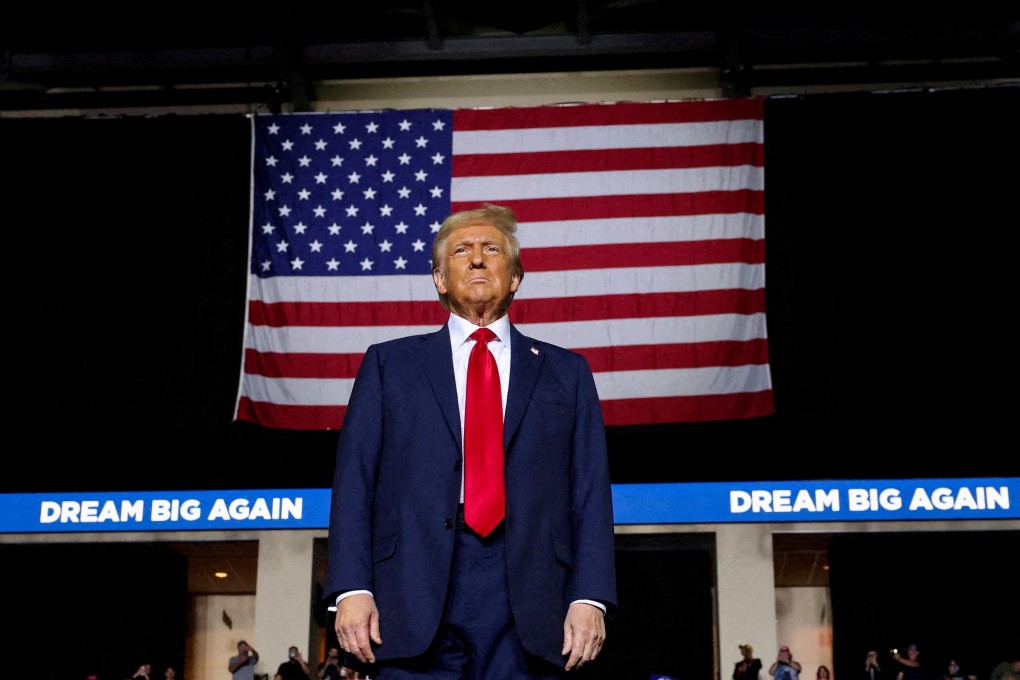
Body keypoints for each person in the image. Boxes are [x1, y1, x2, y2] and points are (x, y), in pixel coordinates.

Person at [325, 203, 618, 679]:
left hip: (530, 593)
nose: (477, 259)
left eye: (492, 250)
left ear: (516, 277)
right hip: (409, 590)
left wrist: (590, 597)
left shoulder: (567, 373)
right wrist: (351, 587)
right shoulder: (388, 365)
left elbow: (590, 492)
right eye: (462, 251)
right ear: (440, 279)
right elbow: (355, 481)